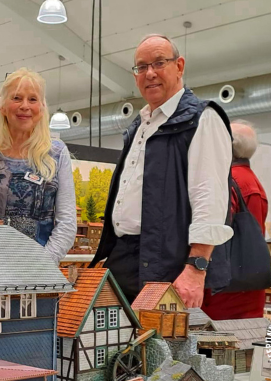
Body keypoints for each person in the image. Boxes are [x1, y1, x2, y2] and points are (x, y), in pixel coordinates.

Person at [89, 34, 234, 308]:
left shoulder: (202, 119)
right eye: (141, 67)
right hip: (127, 257)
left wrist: (196, 267)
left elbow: (210, 197)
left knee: (161, 348)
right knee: (112, 344)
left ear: (179, 66)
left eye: (159, 63)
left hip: (170, 263)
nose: (150, 73)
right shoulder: (140, 125)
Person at [0, 68, 76, 264]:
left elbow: (67, 223)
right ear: (3, 106)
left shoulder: (56, 153)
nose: (25, 106)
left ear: (42, 107)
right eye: (17, 98)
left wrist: (41, 264)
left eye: (32, 99)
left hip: (39, 274)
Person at [202, 119, 268, 319]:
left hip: (223, 294)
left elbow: (214, 236)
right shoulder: (252, 181)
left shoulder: (229, 182)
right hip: (247, 288)